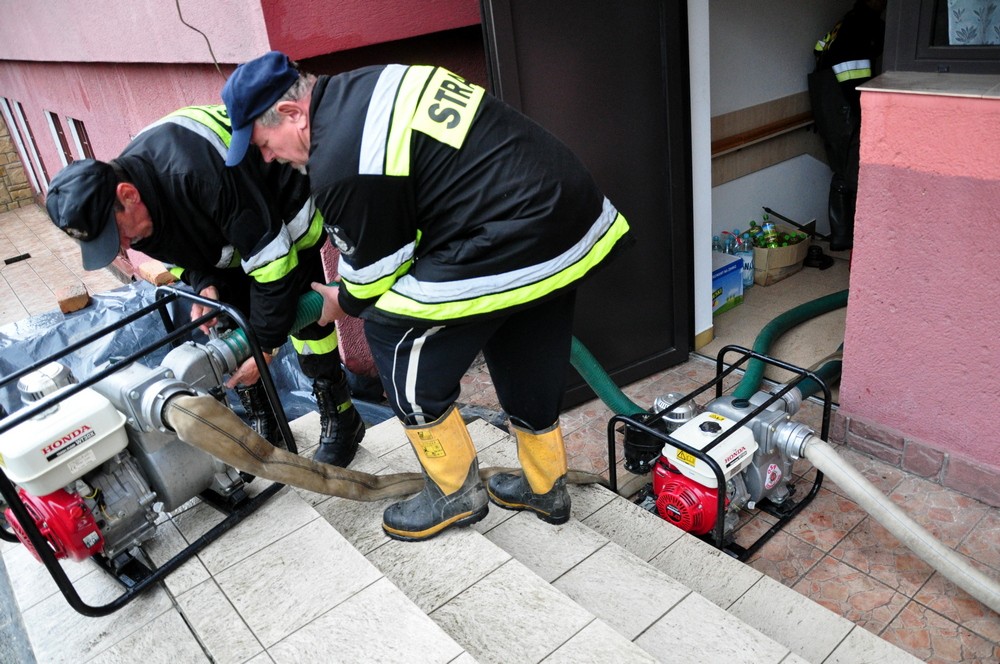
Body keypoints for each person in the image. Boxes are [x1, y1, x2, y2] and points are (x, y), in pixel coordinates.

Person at [221, 52, 634, 542]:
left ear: (292, 115)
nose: (269, 159)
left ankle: (454, 493)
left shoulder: (341, 161)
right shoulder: (371, 83)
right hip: (567, 213)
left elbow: (371, 276)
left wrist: (342, 302)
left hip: (513, 227)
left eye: (265, 145)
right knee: (521, 323)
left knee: (393, 328)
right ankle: (546, 487)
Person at [44, 104, 365, 467]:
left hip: (282, 213)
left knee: (303, 314)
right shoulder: (136, 213)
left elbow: (273, 265)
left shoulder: (194, 173)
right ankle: (266, 420)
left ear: (128, 195)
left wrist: (264, 347)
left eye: (116, 234)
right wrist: (205, 282)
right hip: (228, 229)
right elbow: (174, 253)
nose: (121, 246)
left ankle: (340, 414)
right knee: (226, 319)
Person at [808, 0, 886, 251]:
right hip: (845, 106)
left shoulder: (846, 20)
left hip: (826, 102)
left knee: (843, 169)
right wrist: (863, 105)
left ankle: (843, 238)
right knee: (852, 172)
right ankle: (852, 238)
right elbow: (851, 68)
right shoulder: (864, 23)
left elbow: (818, 49)